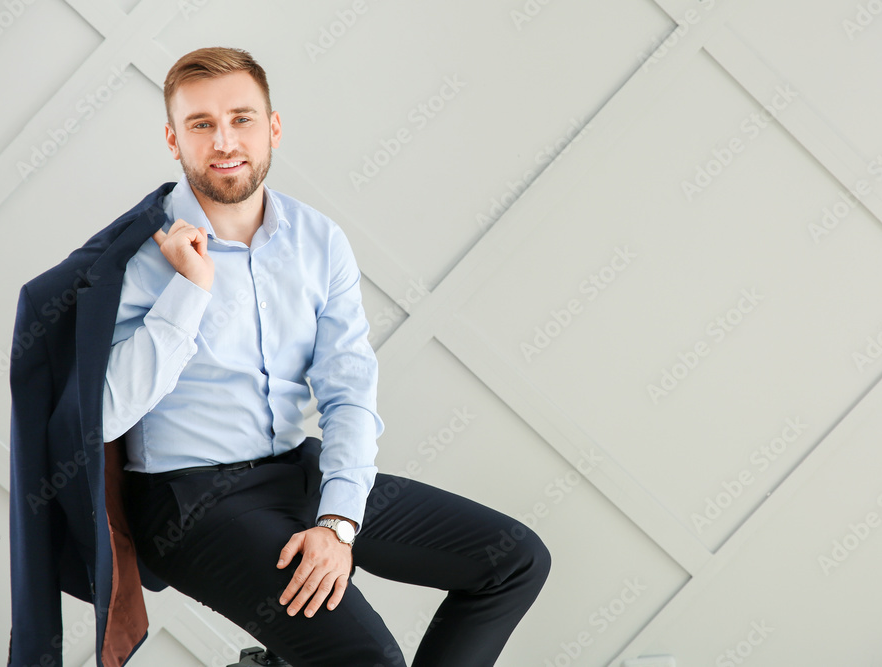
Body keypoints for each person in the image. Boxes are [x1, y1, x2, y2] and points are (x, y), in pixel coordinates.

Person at [98, 47, 549, 666]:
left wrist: (338, 522)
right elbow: (101, 417)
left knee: (513, 560)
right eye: (201, 124)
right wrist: (189, 293)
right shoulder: (132, 255)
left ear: (273, 127)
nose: (224, 141)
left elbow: (349, 390)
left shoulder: (318, 240)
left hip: (294, 472)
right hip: (191, 502)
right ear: (174, 139)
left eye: (242, 118)